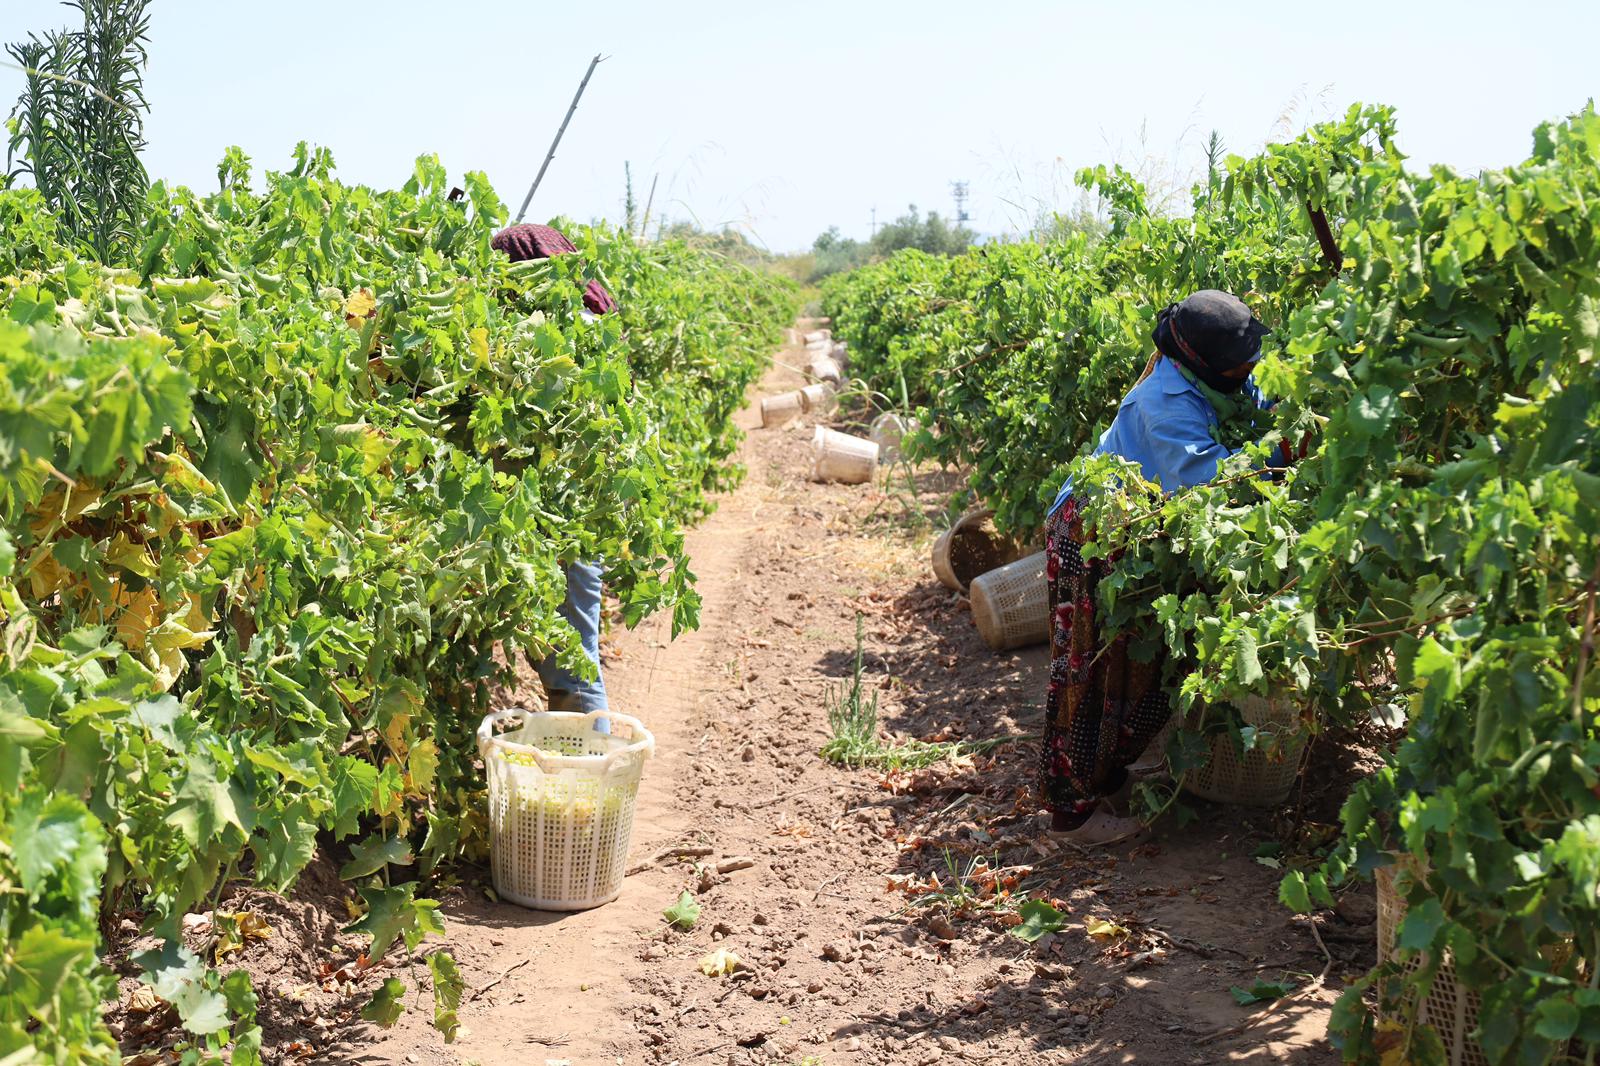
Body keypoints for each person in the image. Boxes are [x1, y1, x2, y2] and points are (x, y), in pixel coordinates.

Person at [1041, 290, 1274, 845]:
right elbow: (1210, 484)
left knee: (1147, 669)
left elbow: (1263, 405)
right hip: (1093, 539)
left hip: (1141, 540)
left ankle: (1107, 777)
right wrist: (1282, 454)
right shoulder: (1163, 403)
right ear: (1203, 362)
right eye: (1240, 365)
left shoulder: (1220, 378)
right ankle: (1071, 814)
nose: (1249, 373)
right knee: (1092, 673)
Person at [490, 223, 617, 724]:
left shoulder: (553, 333)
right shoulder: (586, 320)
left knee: (571, 663)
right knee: (568, 655)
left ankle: (590, 780)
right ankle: (585, 768)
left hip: (557, 516)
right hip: (571, 510)